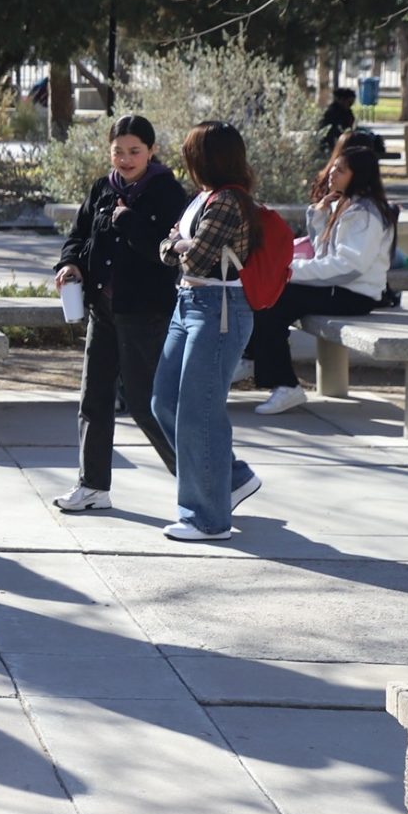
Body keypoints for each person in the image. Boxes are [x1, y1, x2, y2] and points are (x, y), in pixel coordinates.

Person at [50, 115, 188, 512]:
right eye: (118, 151)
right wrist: (71, 265)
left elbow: (165, 254)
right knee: (93, 399)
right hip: (102, 309)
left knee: (148, 404)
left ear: (152, 151)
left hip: (144, 312)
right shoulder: (102, 188)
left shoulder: (166, 192)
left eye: (134, 151)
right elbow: (78, 236)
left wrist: (129, 222)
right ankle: (93, 485)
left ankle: (203, 482)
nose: (125, 160)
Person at [153, 120, 264, 542]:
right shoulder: (204, 198)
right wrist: (179, 244)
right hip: (189, 304)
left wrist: (180, 243)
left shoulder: (229, 202)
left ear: (208, 158)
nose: (186, 161)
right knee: (163, 402)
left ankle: (208, 518)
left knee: (199, 410)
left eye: (191, 154)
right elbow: (169, 249)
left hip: (219, 308)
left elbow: (193, 258)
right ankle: (232, 479)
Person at [247, 143, 397, 415]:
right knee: (268, 297)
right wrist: (318, 217)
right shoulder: (345, 204)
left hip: (354, 294)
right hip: (337, 287)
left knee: (275, 301)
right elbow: (323, 253)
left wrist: (290, 272)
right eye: (333, 168)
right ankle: (252, 359)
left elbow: (349, 266)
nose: (331, 174)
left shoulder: (365, 212)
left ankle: (285, 384)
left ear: (359, 175)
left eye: (340, 170)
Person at [319, 87, 357, 157]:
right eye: (349, 103)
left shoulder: (347, 112)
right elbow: (332, 132)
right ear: (341, 100)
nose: (350, 105)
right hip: (331, 144)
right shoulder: (332, 112)